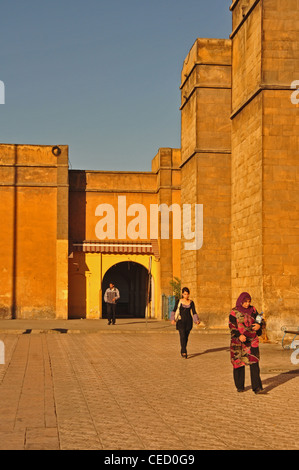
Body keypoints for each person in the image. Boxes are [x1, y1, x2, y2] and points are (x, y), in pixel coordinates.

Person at [229, 292, 264, 394]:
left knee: (254, 362)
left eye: (249, 301)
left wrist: (259, 325)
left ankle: (257, 387)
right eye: (245, 302)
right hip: (239, 342)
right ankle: (240, 386)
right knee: (238, 363)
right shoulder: (234, 312)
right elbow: (232, 326)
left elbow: (259, 319)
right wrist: (239, 335)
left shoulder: (253, 310)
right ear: (241, 301)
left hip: (252, 340)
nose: (247, 304)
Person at [171, 287, 200, 358]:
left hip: (188, 322)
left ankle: (183, 349)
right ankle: (184, 351)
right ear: (182, 294)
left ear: (189, 294)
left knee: (186, 337)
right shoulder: (179, 301)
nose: (186, 296)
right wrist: (173, 319)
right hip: (181, 321)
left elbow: (194, 312)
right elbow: (174, 310)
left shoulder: (191, 302)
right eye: (184, 294)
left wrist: (196, 320)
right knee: (182, 336)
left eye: (187, 294)